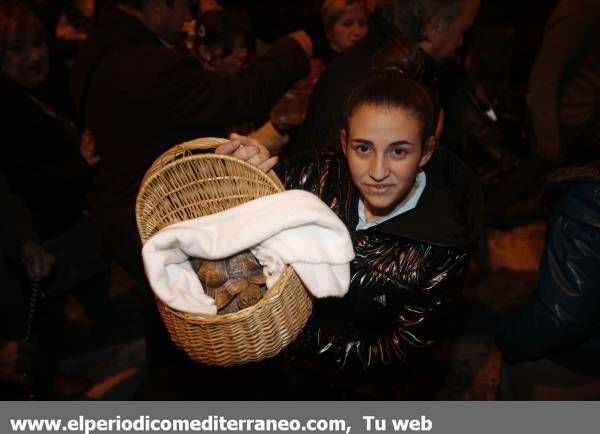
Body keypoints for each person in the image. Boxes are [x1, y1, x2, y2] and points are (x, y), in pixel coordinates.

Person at [217, 69, 483, 399]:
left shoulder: (444, 244)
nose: (378, 172)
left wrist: (289, 332)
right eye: (363, 149)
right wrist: (244, 179)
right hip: (276, 380)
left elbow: (399, 354)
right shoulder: (313, 174)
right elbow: (238, 239)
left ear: (426, 152)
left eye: (398, 151)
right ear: (344, 143)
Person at [495, 0, 600, 400]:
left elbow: (563, 317)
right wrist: (549, 133)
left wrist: (506, 337)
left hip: (581, 363)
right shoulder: (582, 10)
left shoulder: (590, 194)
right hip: (570, 124)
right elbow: (546, 73)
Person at [287, 0, 480, 157]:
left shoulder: (373, 65)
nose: (460, 41)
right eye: (462, 30)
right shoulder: (369, 87)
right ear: (435, 27)